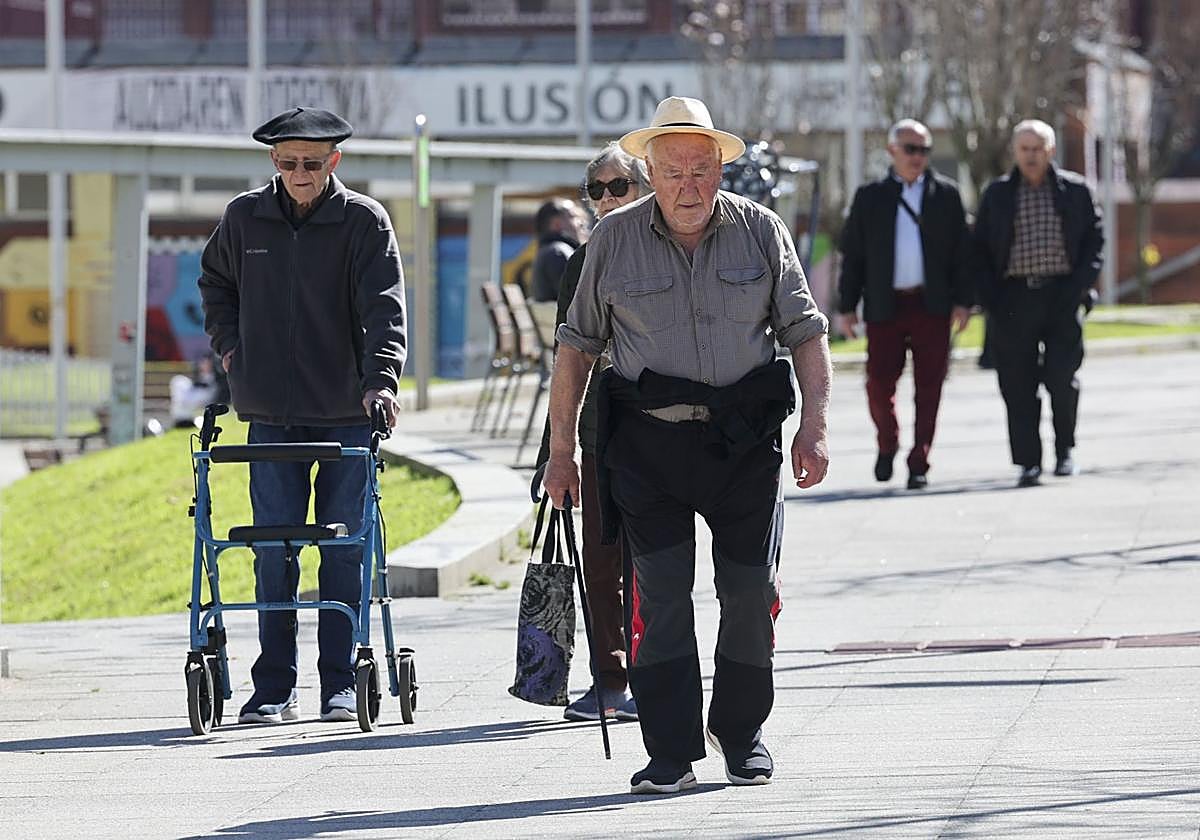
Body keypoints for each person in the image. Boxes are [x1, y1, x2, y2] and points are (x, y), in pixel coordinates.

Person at [543, 96, 831, 795]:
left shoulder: (761, 231)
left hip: (744, 443)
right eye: (674, 173)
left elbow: (805, 331)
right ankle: (670, 751)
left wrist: (815, 425)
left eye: (701, 170)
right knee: (663, 597)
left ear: (720, 169)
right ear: (650, 172)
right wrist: (561, 452)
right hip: (650, 447)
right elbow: (576, 349)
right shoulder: (612, 240)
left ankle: (741, 732)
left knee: (749, 590)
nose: (689, 186)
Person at [198, 106, 407, 724]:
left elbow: (386, 308)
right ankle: (273, 688)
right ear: (273, 161)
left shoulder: (364, 221)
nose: (300, 174)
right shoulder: (244, 218)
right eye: (288, 163)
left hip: (345, 412)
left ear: (333, 161)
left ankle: (339, 684)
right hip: (270, 412)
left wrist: (382, 382)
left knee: (342, 550)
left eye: (312, 163)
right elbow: (215, 283)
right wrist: (231, 348)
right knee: (273, 550)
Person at [534, 141, 651, 724]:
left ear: (644, 189)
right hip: (599, 432)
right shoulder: (581, 264)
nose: (606, 199)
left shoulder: (664, 253)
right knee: (602, 560)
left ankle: (655, 672)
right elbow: (567, 363)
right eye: (596, 190)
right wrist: (553, 454)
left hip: (659, 432)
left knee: (653, 560)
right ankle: (610, 676)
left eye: (618, 186)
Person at [837, 119, 972, 490]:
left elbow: (963, 254)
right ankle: (888, 441)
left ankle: (919, 461)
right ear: (892, 151)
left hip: (932, 305)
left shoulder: (946, 195)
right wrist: (847, 306)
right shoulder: (870, 197)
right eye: (910, 149)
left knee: (930, 386)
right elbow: (854, 256)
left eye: (924, 150)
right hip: (886, 305)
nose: (917, 157)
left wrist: (964, 302)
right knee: (878, 384)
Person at [974, 119, 1103, 487]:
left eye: (1038, 149)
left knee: (1062, 378)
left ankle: (1065, 451)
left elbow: (1095, 242)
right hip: (1013, 299)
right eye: (1024, 149)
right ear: (1015, 152)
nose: (1031, 156)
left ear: (1051, 151)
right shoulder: (998, 194)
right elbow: (979, 249)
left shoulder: (1075, 191)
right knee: (1017, 384)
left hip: (1063, 294)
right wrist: (991, 299)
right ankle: (1028, 462)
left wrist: (1079, 287)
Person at [530, 198, 586, 302]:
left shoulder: (550, 251)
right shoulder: (558, 253)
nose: (581, 223)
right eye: (574, 217)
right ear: (556, 223)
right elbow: (579, 299)